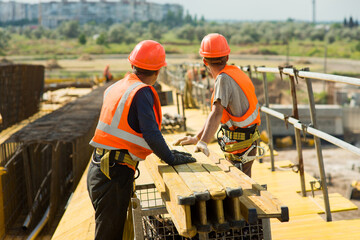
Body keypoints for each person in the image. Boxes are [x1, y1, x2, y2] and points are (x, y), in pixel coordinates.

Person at [87, 40, 196, 240]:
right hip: (113, 173)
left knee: (112, 232)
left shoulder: (117, 87)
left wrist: (169, 154)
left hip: (101, 169)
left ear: (133, 64)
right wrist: (171, 157)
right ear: (158, 71)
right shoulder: (141, 91)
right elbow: (151, 134)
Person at [174, 33, 261, 177]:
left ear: (204, 61)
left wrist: (203, 142)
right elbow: (213, 114)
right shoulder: (235, 72)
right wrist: (197, 137)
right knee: (243, 185)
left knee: (241, 188)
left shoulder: (223, 79)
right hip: (246, 142)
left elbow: (216, 113)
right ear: (227, 57)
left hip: (240, 145)